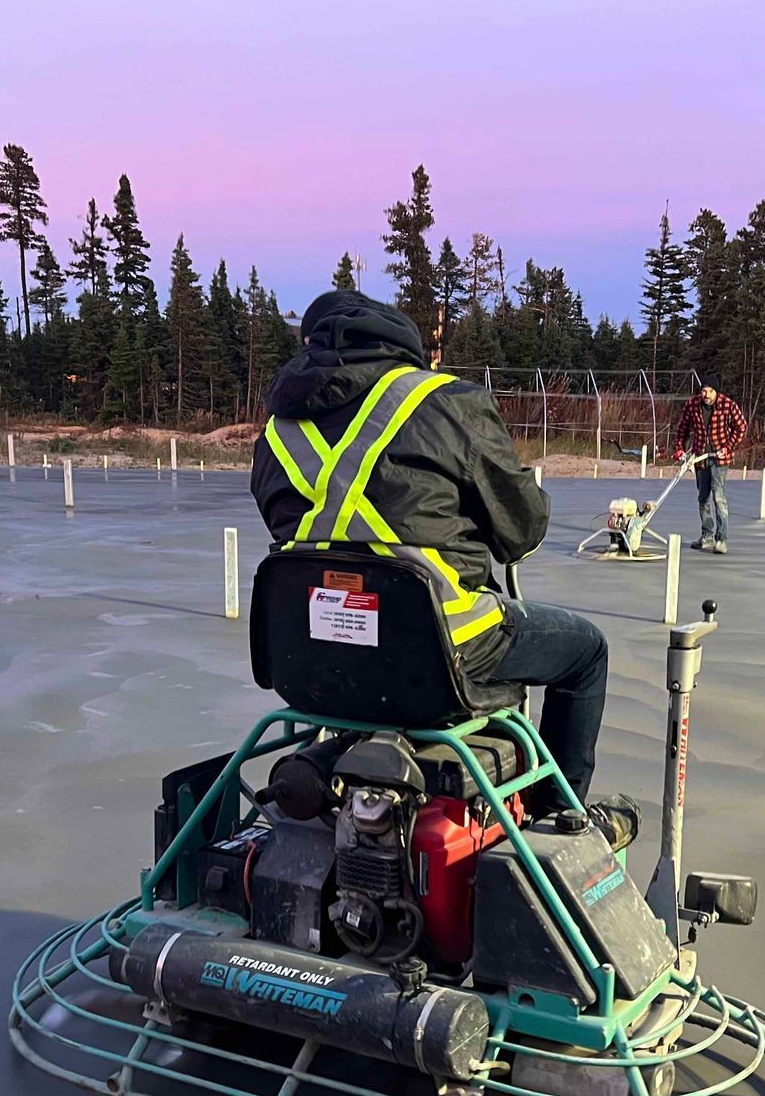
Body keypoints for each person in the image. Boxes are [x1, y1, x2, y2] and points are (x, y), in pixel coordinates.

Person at [251, 291, 637, 843]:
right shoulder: (446, 401)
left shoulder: (276, 430)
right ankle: (558, 816)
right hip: (435, 652)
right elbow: (521, 532)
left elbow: (299, 532)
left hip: (313, 664)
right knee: (586, 651)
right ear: (400, 344)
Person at [674, 382, 748, 553]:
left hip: (719, 458)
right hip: (700, 458)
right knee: (703, 497)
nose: (706, 395)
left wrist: (728, 447)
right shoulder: (692, 405)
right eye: (704, 391)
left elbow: (741, 427)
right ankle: (707, 536)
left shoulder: (727, 405)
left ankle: (721, 539)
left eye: (710, 391)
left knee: (718, 497)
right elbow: (682, 429)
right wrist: (679, 448)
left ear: (717, 391)